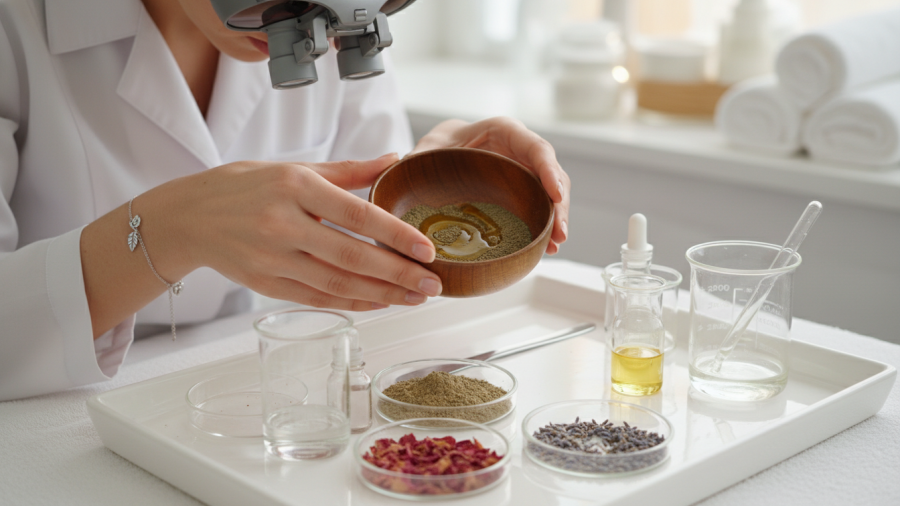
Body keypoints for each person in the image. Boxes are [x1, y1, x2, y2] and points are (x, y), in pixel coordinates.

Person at [0, 0, 571, 401]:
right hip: (60, 408)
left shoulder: (339, 18)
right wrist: (172, 228)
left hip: (252, 381)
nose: (313, 29)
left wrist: (431, 170)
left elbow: (358, 238)